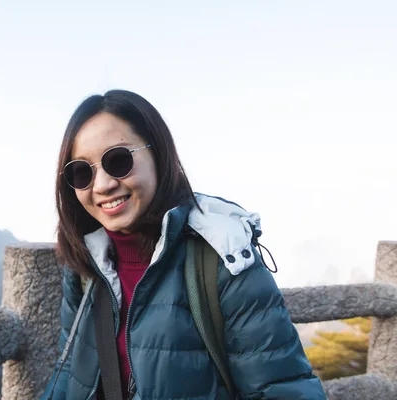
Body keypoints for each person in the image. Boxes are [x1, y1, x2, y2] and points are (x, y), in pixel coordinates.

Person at [41, 89, 326, 400]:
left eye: (119, 160)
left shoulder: (222, 258)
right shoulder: (85, 265)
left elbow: (281, 388)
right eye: (82, 172)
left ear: (159, 154)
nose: (103, 185)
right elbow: (69, 376)